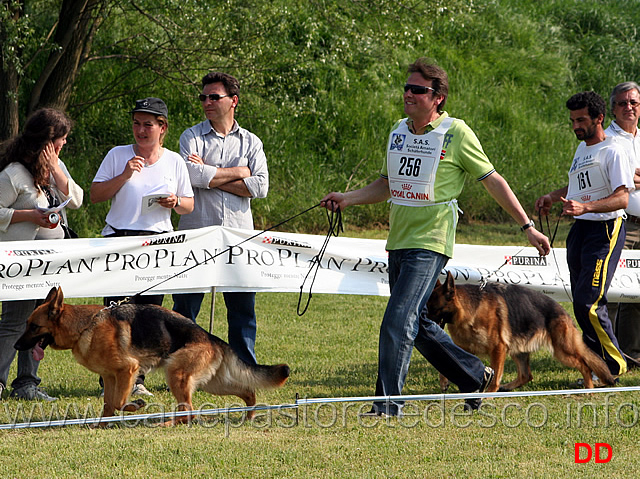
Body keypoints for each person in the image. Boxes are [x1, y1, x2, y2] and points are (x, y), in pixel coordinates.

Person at [321, 58, 550, 416]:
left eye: (418, 90)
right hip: (398, 240)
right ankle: (474, 375)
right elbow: (386, 184)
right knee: (420, 323)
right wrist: (346, 198)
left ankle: (387, 405)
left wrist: (527, 226)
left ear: (438, 97)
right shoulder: (398, 130)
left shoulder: (457, 133)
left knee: (398, 319)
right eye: (407, 88)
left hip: (431, 241)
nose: (408, 94)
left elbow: (493, 180)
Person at [90, 97, 194, 395]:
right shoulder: (117, 155)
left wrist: (175, 202)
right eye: (136, 123)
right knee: (115, 314)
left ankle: (138, 380)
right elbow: (96, 194)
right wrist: (124, 175)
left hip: (157, 242)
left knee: (150, 315)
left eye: (148, 124)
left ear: (162, 128)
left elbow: (188, 205)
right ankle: (109, 378)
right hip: (119, 240)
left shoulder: (174, 161)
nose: (141, 130)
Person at [172, 72, 269, 366]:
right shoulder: (191, 136)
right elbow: (190, 175)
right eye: (203, 97)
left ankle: (244, 367)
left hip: (239, 239)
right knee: (184, 311)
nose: (207, 102)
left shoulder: (251, 142)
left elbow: (261, 186)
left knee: (242, 311)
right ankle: (182, 366)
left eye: (214, 97)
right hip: (196, 236)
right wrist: (240, 172)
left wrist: (210, 175)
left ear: (233, 101)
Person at [536, 91, 633, 383]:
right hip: (579, 229)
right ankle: (595, 362)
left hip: (604, 229)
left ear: (599, 118)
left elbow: (622, 199)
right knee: (580, 301)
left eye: (581, 120)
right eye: (572, 120)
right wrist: (553, 197)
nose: (576, 126)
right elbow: (576, 188)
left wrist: (587, 206)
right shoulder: (582, 150)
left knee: (588, 301)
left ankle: (614, 364)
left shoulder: (614, 150)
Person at [0, 108, 83, 401]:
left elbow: (77, 200)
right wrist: (28, 216)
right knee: (15, 321)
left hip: (52, 262)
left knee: (42, 322)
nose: (63, 146)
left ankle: (27, 384)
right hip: (20, 262)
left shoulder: (56, 167)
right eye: (60, 141)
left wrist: (57, 169)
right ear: (45, 141)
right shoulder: (14, 173)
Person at [603, 82, 640, 362]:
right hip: (620, 222)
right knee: (614, 289)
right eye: (623, 103)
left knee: (637, 291)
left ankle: (631, 351)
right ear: (613, 108)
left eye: (634, 102)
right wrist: (628, 176)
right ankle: (608, 351)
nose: (629, 107)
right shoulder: (606, 139)